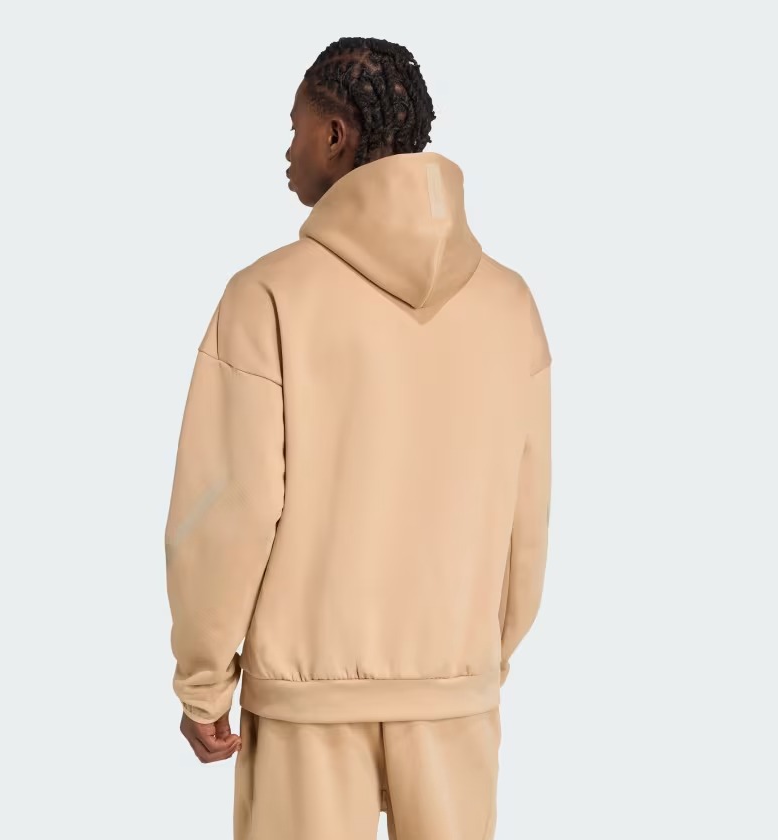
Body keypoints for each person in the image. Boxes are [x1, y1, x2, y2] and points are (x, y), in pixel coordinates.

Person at [164, 36, 552, 840]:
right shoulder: (509, 304)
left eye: (297, 127)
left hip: (306, 704)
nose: (288, 149)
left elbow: (229, 507)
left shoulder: (268, 295)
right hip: (453, 695)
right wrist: (475, 664)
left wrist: (204, 681)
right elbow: (527, 516)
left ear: (336, 135)